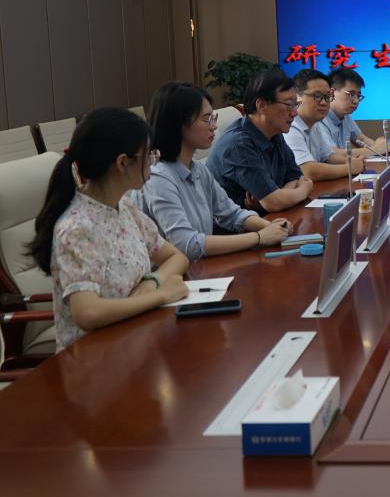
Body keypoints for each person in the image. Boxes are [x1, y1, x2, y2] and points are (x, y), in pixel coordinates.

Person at [27, 108, 189, 351]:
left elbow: (176, 257)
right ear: (123, 162)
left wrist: (152, 281)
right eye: (148, 155)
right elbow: (88, 312)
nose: (153, 162)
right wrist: (160, 295)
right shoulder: (77, 228)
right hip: (95, 356)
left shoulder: (123, 207)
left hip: (137, 340)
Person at [138, 82, 291, 261]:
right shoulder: (158, 177)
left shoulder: (197, 169)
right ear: (178, 123)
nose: (214, 126)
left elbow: (231, 214)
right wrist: (259, 237)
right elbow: (187, 245)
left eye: (213, 117)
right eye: (206, 119)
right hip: (173, 274)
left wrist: (271, 227)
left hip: (201, 268)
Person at [207, 68, 313, 212]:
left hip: (268, 218)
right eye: (288, 105)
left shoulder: (274, 132)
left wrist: (279, 195)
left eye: (296, 105)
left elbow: (295, 177)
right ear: (261, 105)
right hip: (237, 225)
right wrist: (304, 190)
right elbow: (274, 203)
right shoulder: (239, 145)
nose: (294, 112)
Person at [284, 69, 366, 181]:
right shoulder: (291, 126)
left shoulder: (314, 124)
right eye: (317, 96)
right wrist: (350, 168)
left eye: (327, 97)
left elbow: (328, 156)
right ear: (297, 97)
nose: (324, 102)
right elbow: (307, 171)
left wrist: (353, 161)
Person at [318, 67, 390, 158]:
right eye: (351, 94)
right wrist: (377, 149)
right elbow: (332, 154)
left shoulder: (346, 116)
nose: (356, 101)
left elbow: (361, 139)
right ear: (332, 93)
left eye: (358, 95)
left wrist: (383, 147)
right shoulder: (319, 117)